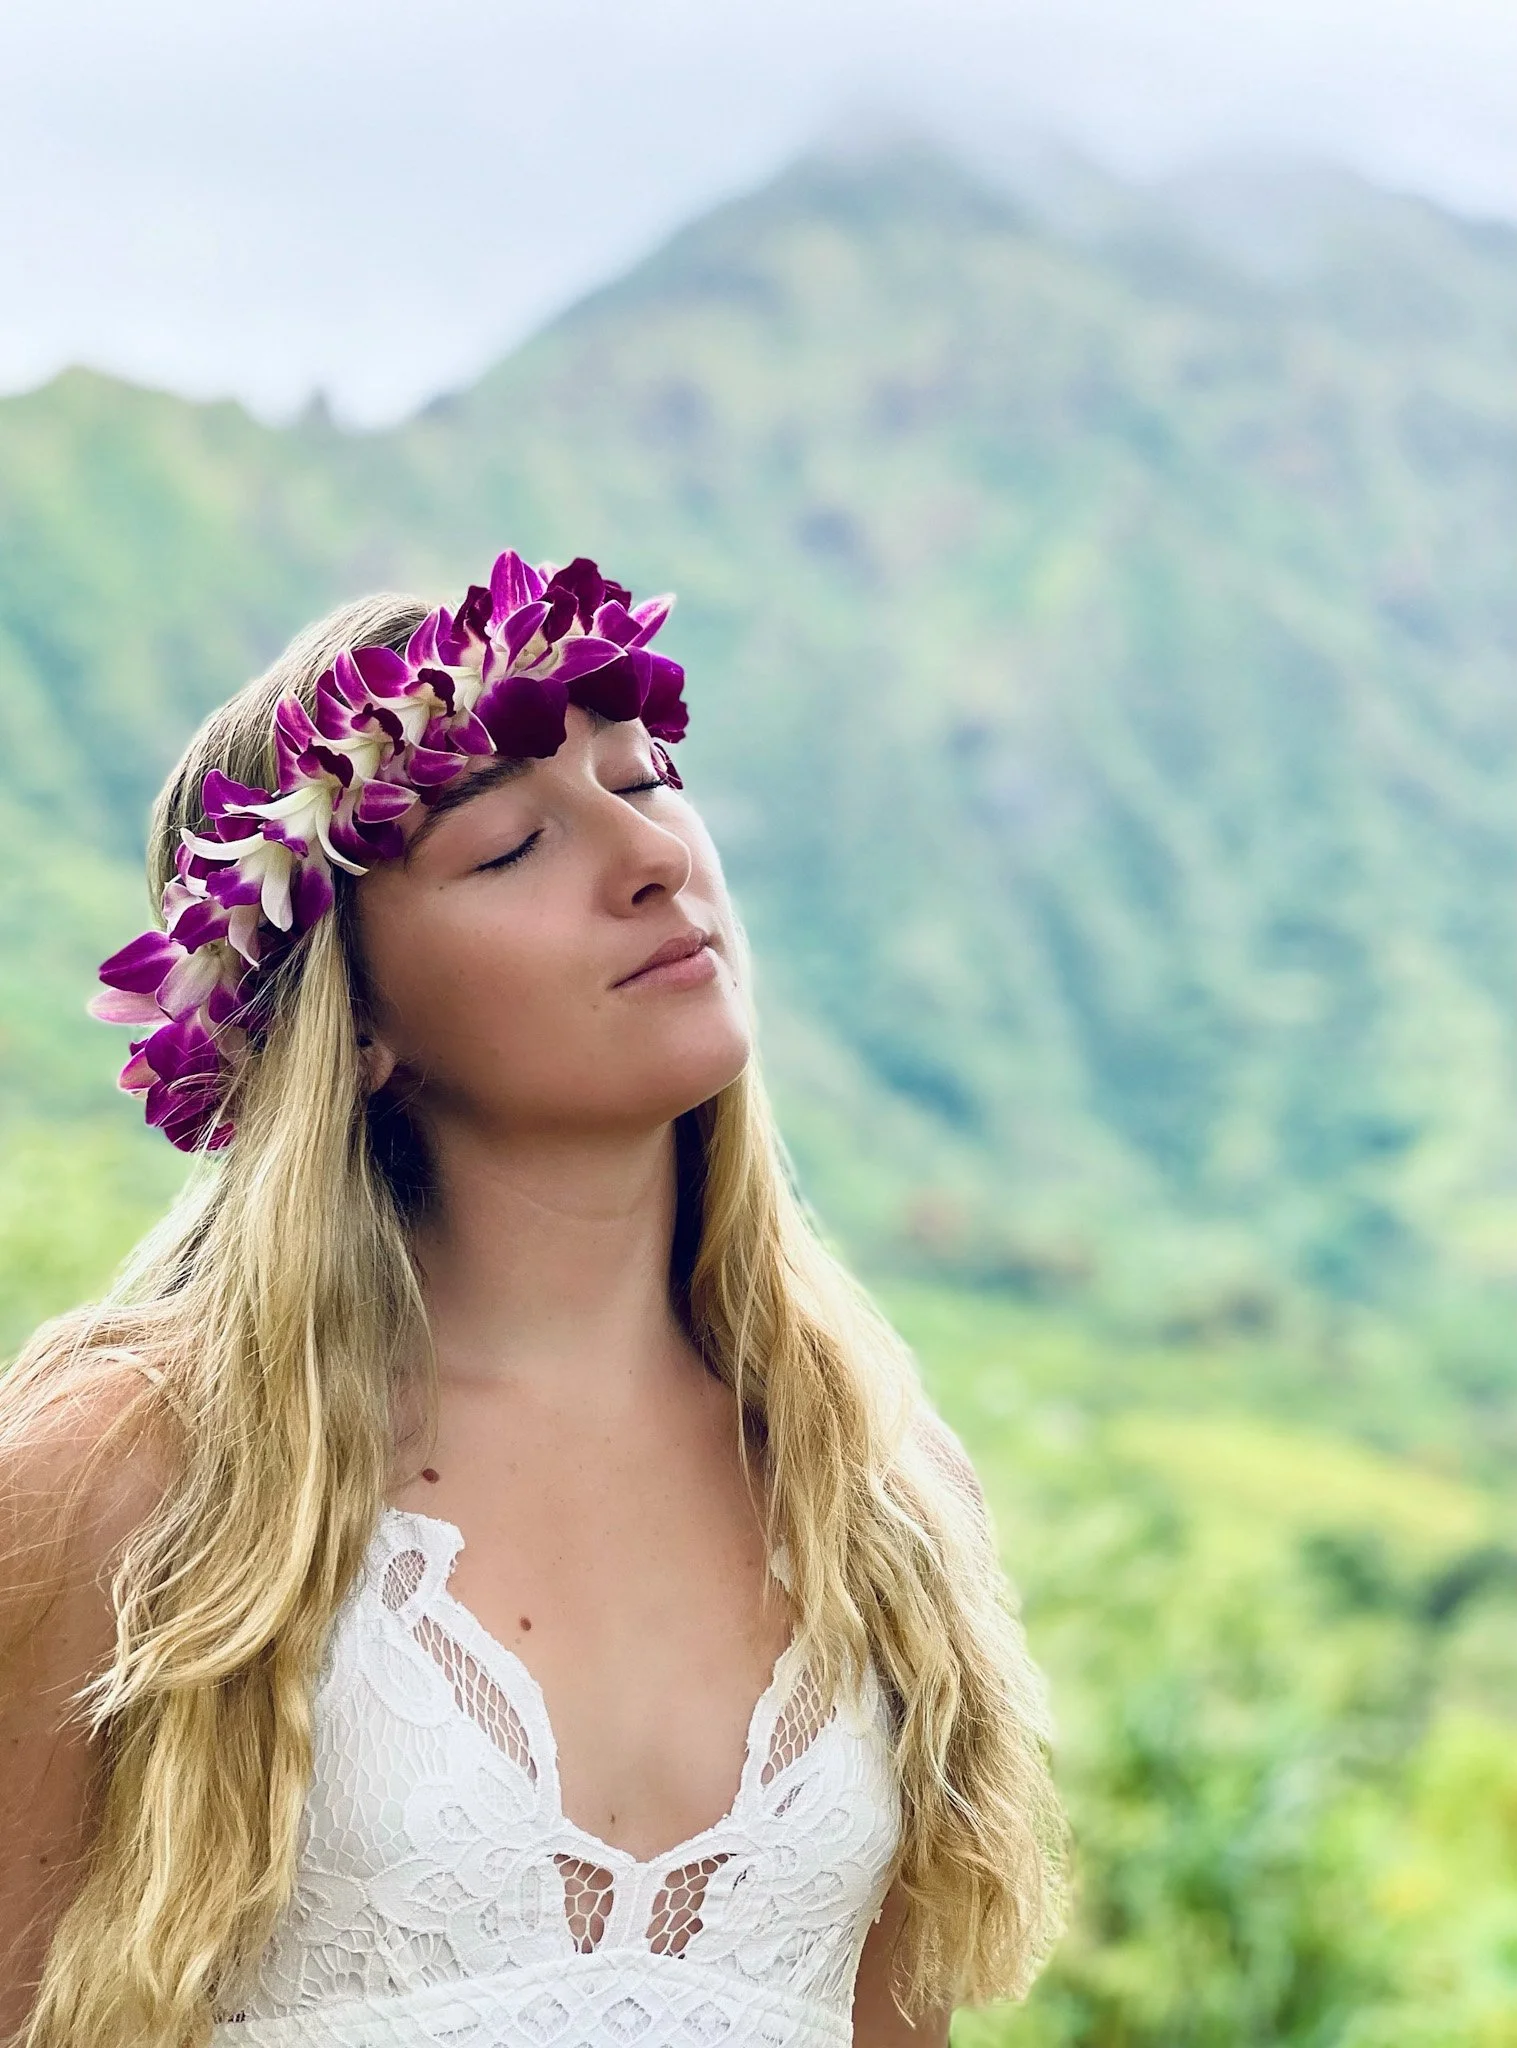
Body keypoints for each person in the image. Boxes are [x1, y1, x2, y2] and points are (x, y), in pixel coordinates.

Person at [0, 551, 1066, 2048]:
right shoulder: (133, 1470)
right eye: (508, 847)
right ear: (354, 1026)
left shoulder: (871, 1488)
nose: (648, 858)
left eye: (644, 779)